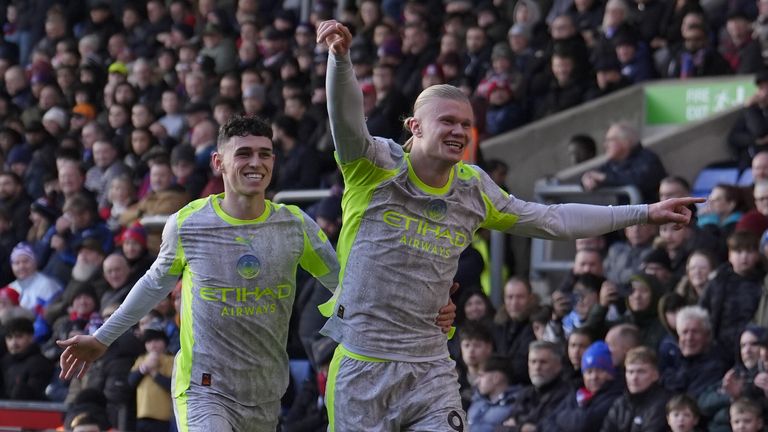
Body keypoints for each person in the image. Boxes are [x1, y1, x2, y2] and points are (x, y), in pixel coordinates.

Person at [316, 19, 701, 430]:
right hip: (363, 361)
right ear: (415, 126)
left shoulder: (473, 188)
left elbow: (553, 220)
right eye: (447, 121)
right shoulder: (373, 167)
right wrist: (340, 60)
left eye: (466, 124)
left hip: (430, 364)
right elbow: (346, 118)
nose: (459, 131)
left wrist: (644, 212)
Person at [56, 115, 344, 431]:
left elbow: (344, 284)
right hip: (204, 387)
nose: (256, 162)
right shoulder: (190, 224)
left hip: (265, 391)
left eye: (264, 153)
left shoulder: (295, 225)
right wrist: (102, 338)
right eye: (244, 153)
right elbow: (153, 284)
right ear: (219, 162)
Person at [600, 346, 671, 432]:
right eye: (630, 372)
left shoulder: (663, 404)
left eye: (641, 372)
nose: (634, 378)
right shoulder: (620, 404)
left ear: (655, 375)